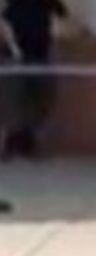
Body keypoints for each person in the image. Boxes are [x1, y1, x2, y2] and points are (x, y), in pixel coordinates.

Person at [0, 0, 86, 159]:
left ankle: (28, 140)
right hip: (17, 58)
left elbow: (64, 17)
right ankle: (12, 141)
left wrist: (79, 32)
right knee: (16, 99)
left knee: (38, 99)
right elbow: (5, 25)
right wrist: (14, 49)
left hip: (40, 56)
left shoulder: (48, 2)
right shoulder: (13, 3)